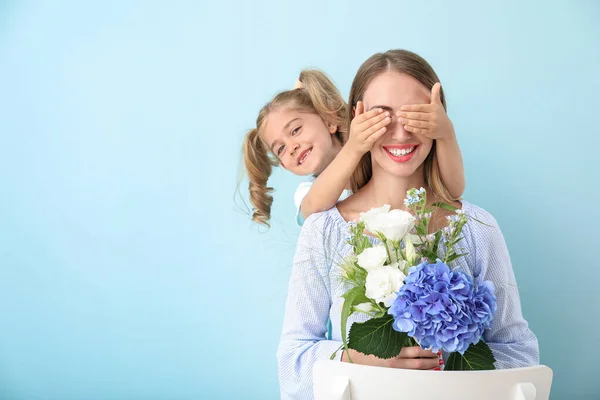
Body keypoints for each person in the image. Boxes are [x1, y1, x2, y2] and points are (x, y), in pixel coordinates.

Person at [276, 49, 539, 400]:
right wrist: (360, 357)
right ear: (356, 119)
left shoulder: (478, 228)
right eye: (382, 116)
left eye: (417, 115)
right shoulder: (324, 231)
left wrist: (453, 364)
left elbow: (519, 352)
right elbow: (292, 360)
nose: (400, 132)